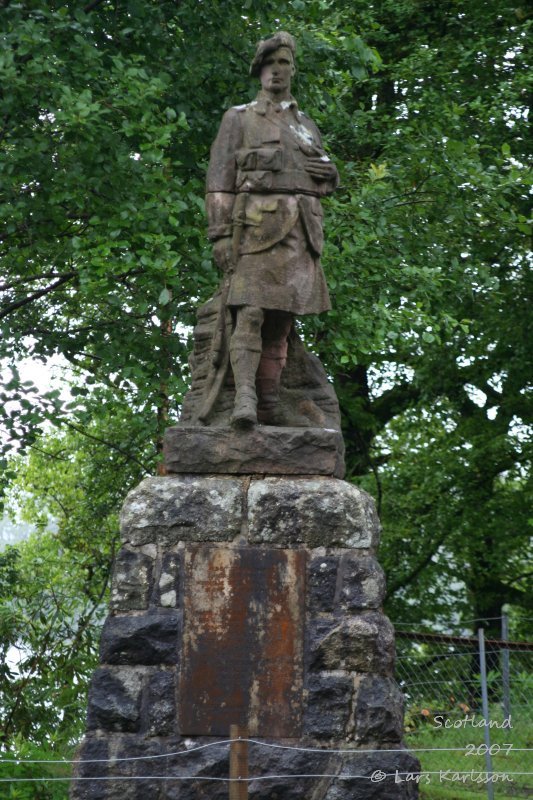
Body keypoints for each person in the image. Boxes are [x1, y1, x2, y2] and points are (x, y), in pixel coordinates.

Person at [206, 32, 338, 428]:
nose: (276, 72)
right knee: (249, 313)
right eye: (269, 65)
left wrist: (331, 177)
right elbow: (218, 180)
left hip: (301, 233)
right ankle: (243, 399)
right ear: (259, 72)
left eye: (283, 64)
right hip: (257, 229)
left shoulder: (306, 125)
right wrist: (221, 234)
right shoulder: (240, 118)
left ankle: (267, 402)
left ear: (293, 70)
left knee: (281, 323)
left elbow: (321, 176)